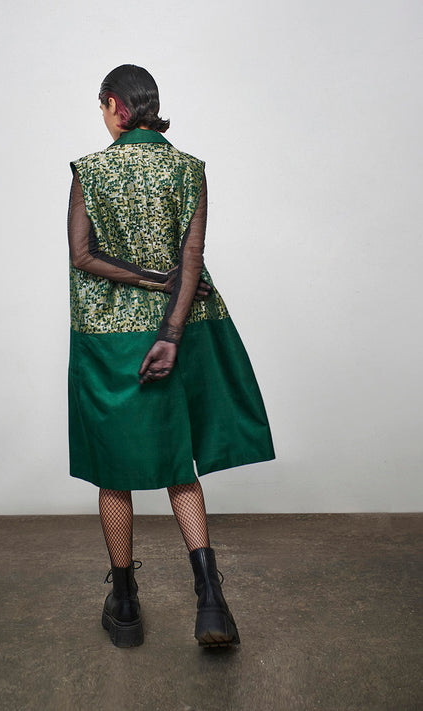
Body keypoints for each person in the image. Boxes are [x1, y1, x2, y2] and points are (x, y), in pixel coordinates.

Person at [67, 64, 275, 648]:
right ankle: (210, 601)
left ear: (115, 104)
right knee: (179, 465)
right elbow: (192, 259)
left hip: (107, 335)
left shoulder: (90, 170)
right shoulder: (190, 168)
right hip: (178, 329)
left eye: (102, 106)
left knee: (114, 472)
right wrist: (171, 333)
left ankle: (125, 606)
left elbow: (82, 256)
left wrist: (147, 280)